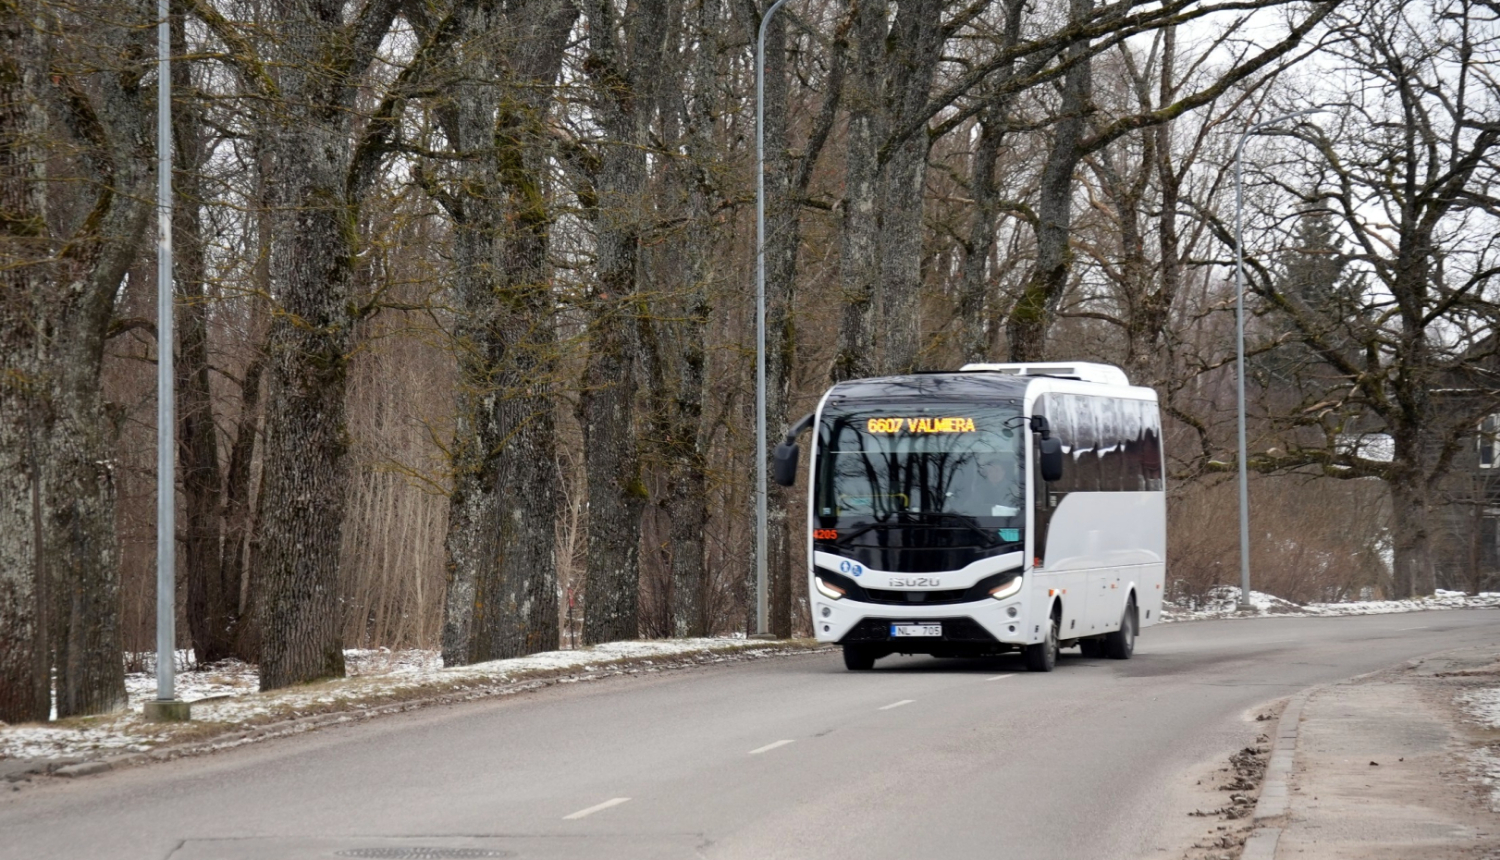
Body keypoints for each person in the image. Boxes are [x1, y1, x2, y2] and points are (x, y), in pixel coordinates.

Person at [948, 454, 1020, 517]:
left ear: (1003, 472)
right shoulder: (980, 489)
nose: (994, 474)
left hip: (1006, 523)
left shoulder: (1012, 489)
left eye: (997, 470)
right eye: (990, 471)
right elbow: (969, 506)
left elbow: (1014, 510)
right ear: (987, 473)